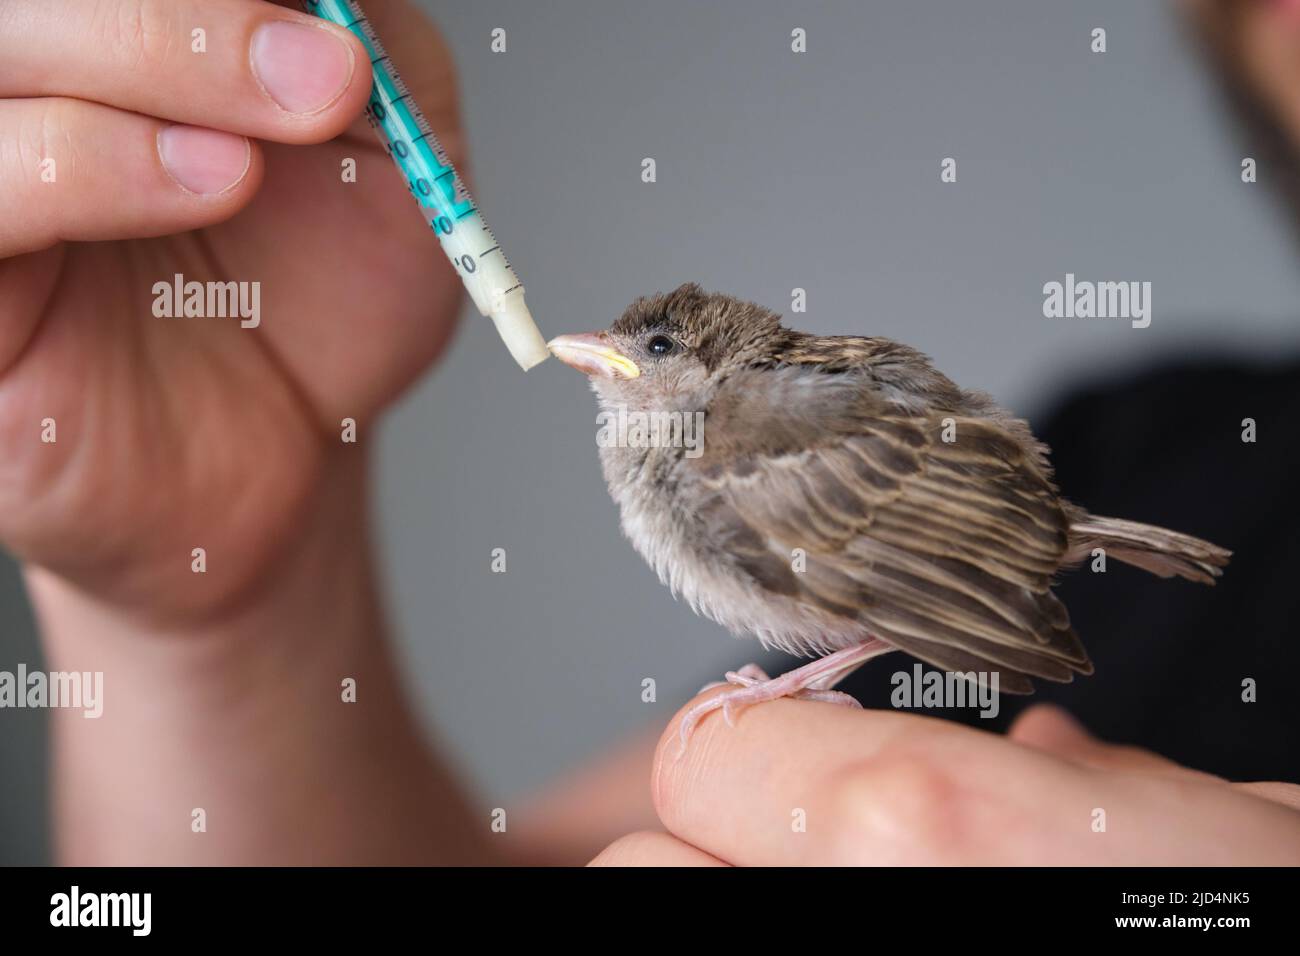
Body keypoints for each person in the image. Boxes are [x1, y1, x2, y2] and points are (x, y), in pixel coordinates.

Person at [0, 0, 1295, 866]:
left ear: (699, 374)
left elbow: (882, 588)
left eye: (646, 357)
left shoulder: (738, 440)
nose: (613, 370)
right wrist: (213, 607)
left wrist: (795, 683)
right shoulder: (1168, 441)